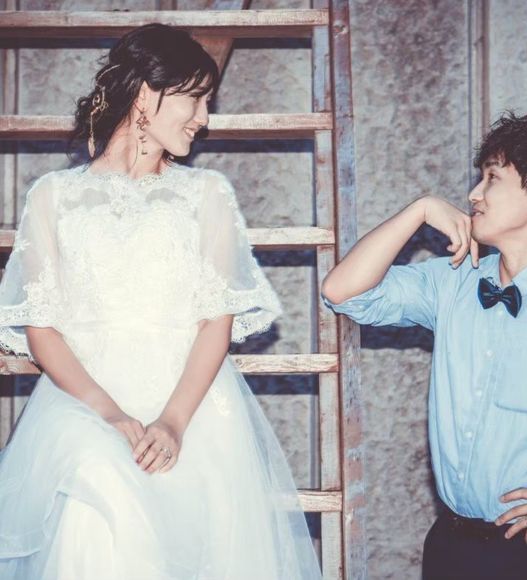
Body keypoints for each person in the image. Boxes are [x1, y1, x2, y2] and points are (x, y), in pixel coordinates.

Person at [0, 24, 321, 580]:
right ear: (147, 95)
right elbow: (42, 327)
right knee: (96, 496)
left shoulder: (206, 193)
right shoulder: (53, 196)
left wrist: (172, 422)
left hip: (191, 406)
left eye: (207, 102)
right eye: (195, 98)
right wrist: (109, 414)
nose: (204, 117)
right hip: (84, 403)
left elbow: (216, 321)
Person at [321, 113, 527, 580]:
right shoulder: (454, 280)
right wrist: (419, 210)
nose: (474, 194)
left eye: (493, 178)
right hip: (450, 545)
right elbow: (342, 291)